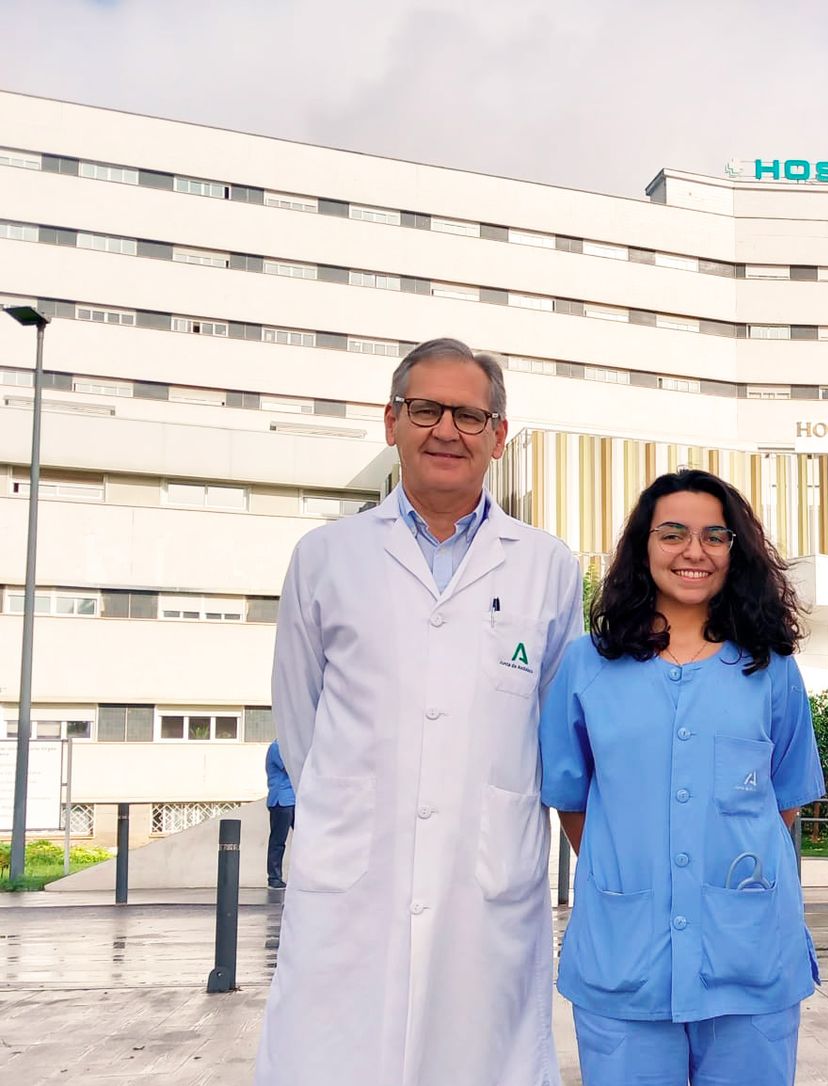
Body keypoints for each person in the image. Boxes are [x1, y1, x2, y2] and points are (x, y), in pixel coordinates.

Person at [256, 338, 583, 1086]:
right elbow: (300, 718)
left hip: (486, 877)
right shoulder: (325, 556)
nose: (447, 430)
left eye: (470, 415)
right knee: (333, 1055)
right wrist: (350, 808)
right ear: (391, 421)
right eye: (426, 408)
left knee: (479, 1054)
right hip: (354, 875)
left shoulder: (546, 565)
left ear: (498, 436)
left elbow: (554, 724)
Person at [540, 469, 825, 1086]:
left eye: (713, 536)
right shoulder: (589, 664)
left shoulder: (769, 666)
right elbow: (573, 799)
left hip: (748, 953)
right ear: (643, 546)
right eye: (672, 533)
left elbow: (783, 802)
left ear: (734, 550)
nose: (693, 551)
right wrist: (636, 872)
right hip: (625, 958)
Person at [264, 739, 294, 889]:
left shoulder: (288, 746)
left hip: (293, 799)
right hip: (281, 800)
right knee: (278, 841)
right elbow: (290, 766)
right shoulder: (277, 747)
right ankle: (274, 878)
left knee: (307, 838)